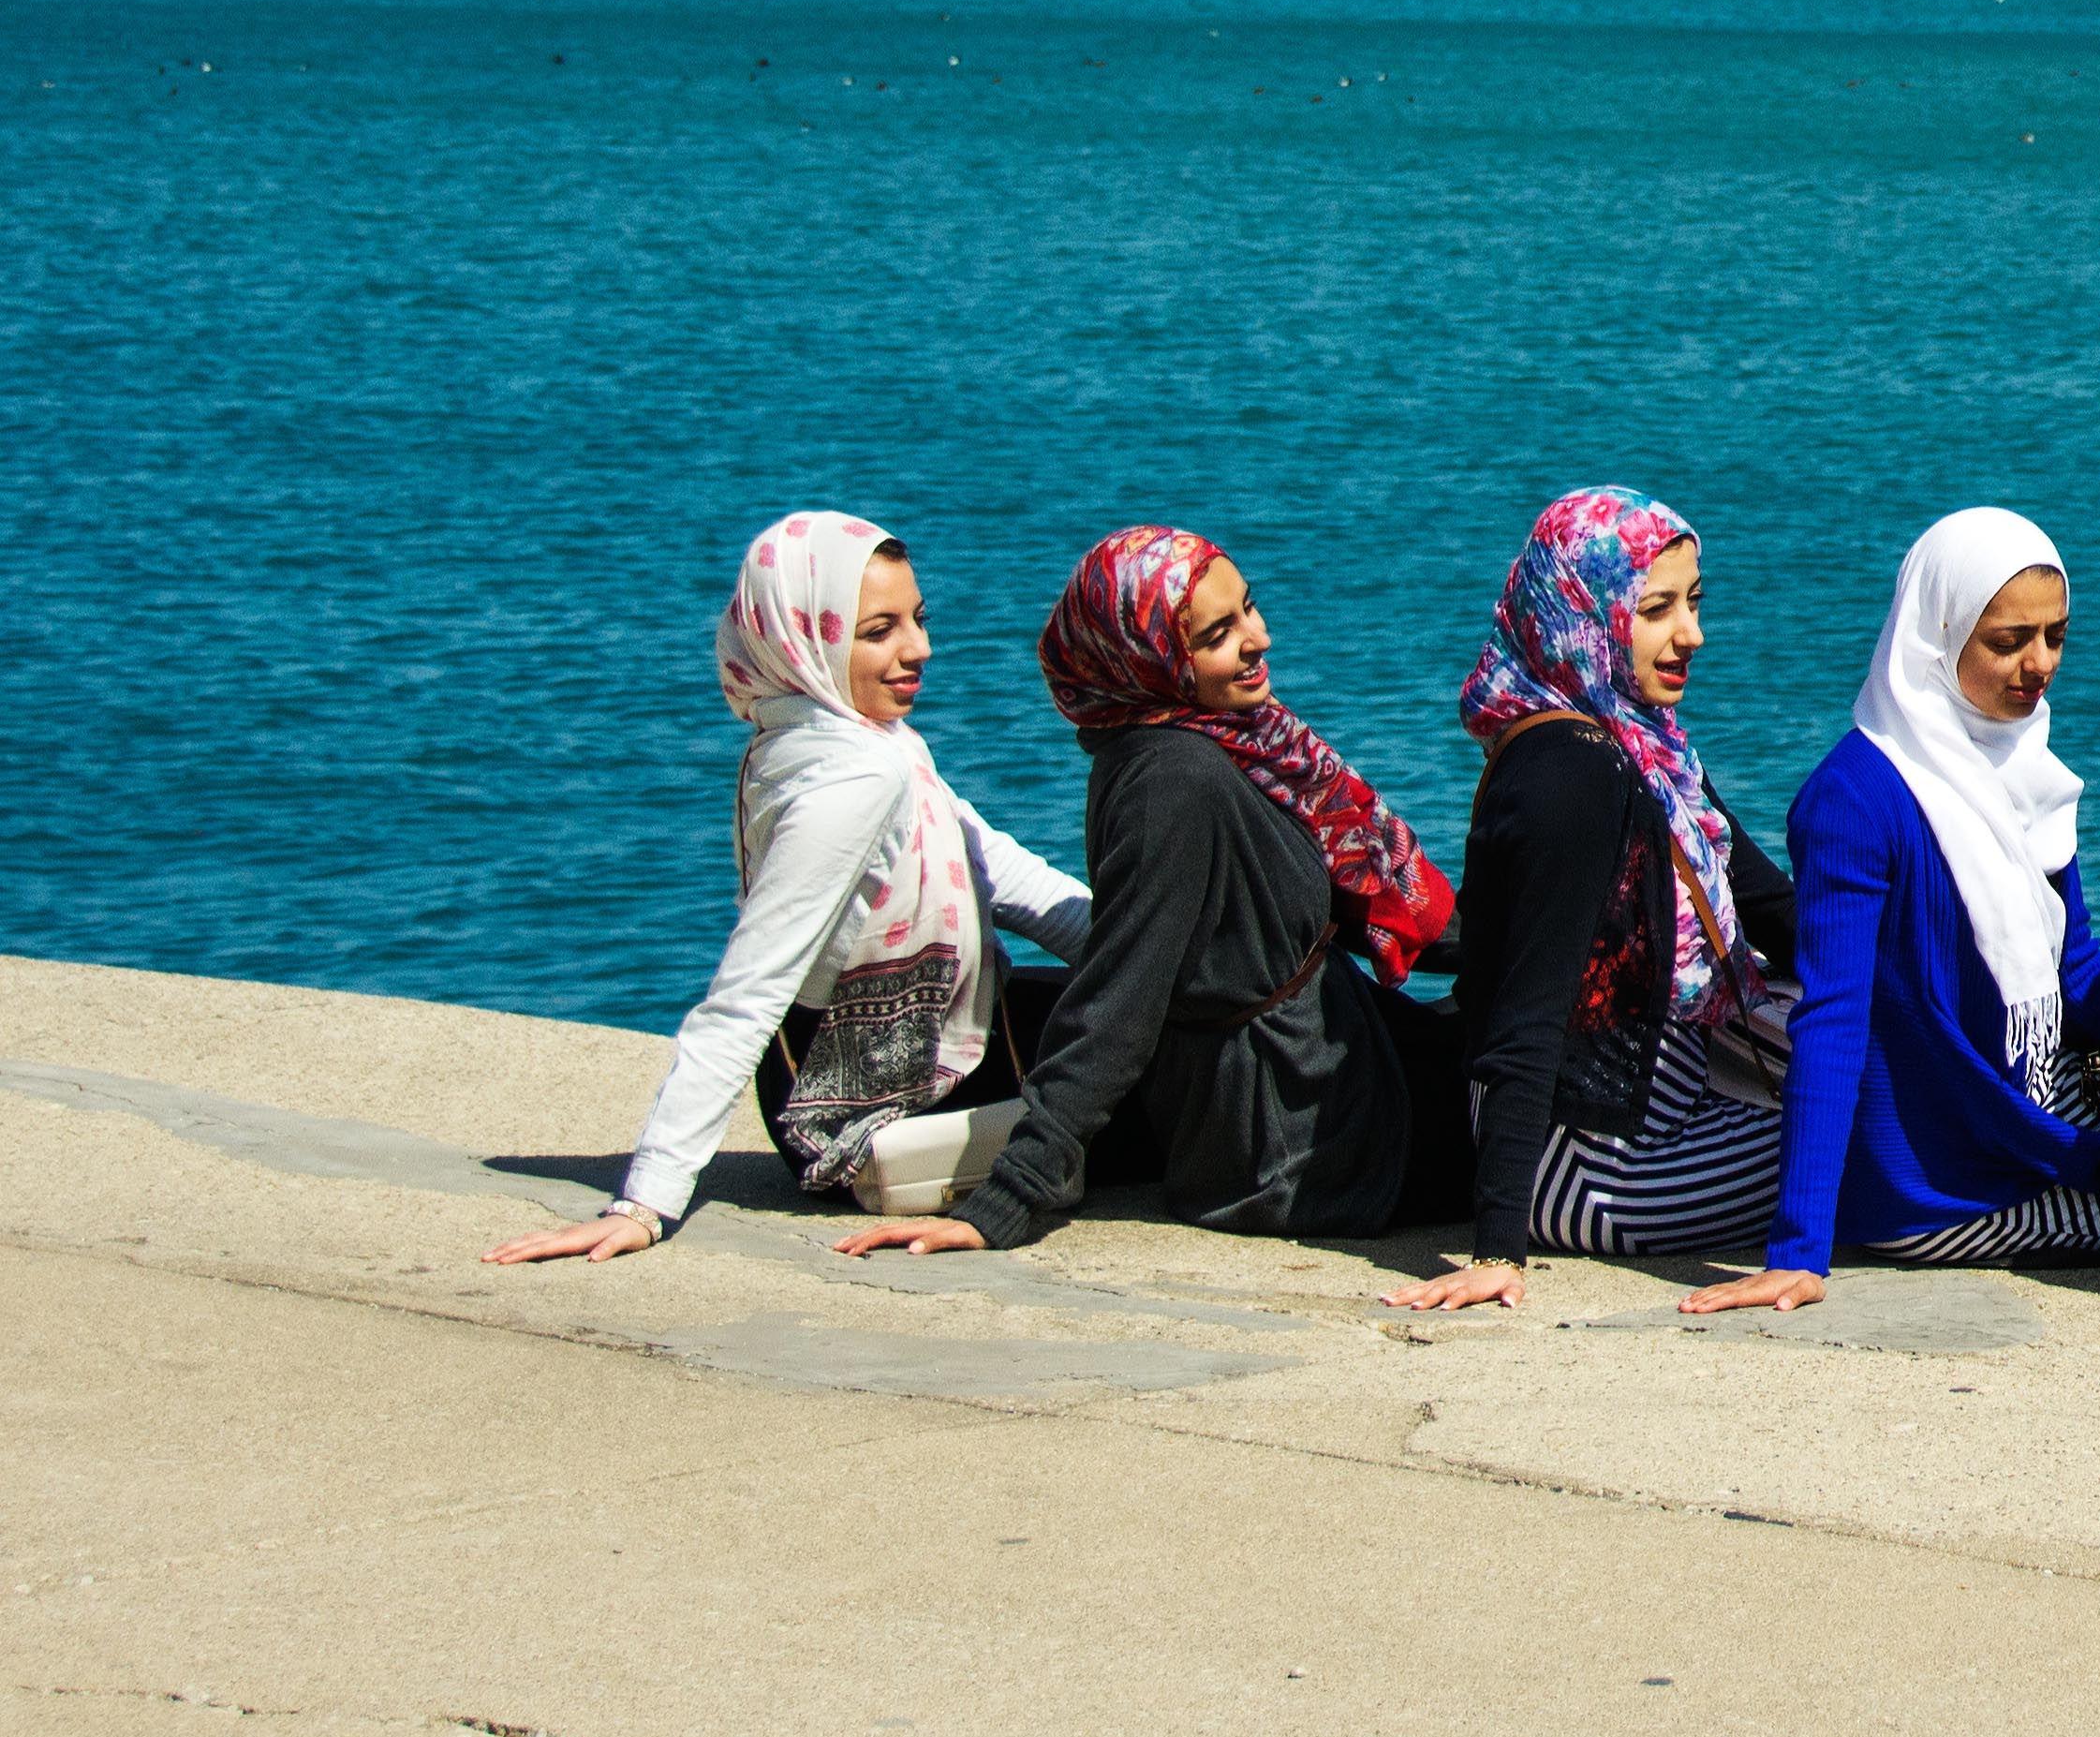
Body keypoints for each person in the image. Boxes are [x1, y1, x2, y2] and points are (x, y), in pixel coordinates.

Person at [834, 526, 1469, 1260]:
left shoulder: (1239, 743)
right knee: (1560, 1108)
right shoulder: (1174, 781)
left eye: (1249, 609)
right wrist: (1006, 1199)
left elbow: (1357, 898)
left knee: (1538, 1032)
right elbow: (1118, 1002)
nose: (1257, 638)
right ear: (1152, 654)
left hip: (1331, 1062)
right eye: (1217, 633)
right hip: (1299, 1133)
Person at [487, 512, 1094, 1265]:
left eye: (917, 619)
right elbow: (747, 989)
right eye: (879, 630)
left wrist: (1146, 953)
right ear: (808, 637)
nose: (920, 648)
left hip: (823, 1070)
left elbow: (1000, 872)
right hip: (885, 1106)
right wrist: (646, 1200)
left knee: (1139, 1006)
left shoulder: (818, 737)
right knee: (1179, 1058)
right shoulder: (856, 776)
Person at [1677, 508, 2100, 1316]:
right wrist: (1799, 1249)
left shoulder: (2025, 768)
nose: (2038, 663)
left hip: (2022, 1116)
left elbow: (2074, 969)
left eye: (2055, 635)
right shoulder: (1854, 800)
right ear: (1936, 634)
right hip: (1935, 1177)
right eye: (2007, 640)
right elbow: (1833, 1015)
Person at [1380, 487, 1797, 1314]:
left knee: (1895, 1083)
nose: (1692, 635)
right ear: (1584, 611)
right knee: (1884, 1134)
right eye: (1656, 609)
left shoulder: (1642, 745)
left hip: (1647, 1117)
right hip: (1590, 1167)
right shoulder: (1574, 775)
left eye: (1694, 602)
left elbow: (1771, 908)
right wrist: (1499, 1244)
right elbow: (1528, 1011)